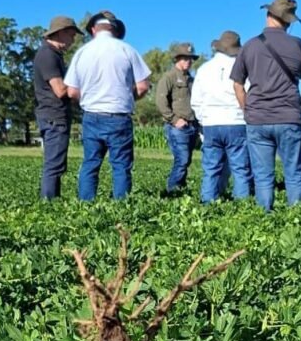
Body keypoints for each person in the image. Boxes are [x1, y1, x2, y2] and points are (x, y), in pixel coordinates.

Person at [230, 0, 301, 211]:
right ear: (289, 21)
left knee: (263, 176)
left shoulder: (250, 45)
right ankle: (298, 219)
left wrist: (248, 111)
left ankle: (265, 218)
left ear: (268, 15)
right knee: (294, 173)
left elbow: (237, 84)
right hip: (289, 117)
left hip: (258, 118)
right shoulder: (298, 44)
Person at [64, 12, 151, 201]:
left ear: (94, 29)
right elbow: (143, 86)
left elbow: (71, 91)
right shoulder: (127, 50)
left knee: (91, 163)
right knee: (120, 165)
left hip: (91, 115)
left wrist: (89, 98)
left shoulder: (82, 53)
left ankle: (85, 204)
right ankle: (121, 206)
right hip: (119, 115)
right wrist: (127, 97)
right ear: (114, 28)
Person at [190, 30, 252, 203]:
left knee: (211, 168)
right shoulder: (242, 68)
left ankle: (208, 202)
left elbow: (196, 100)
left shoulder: (204, 69)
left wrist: (204, 119)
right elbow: (249, 94)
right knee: (240, 168)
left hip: (211, 123)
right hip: (236, 121)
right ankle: (242, 206)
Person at [33, 16, 83, 199]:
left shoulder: (54, 55)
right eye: (71, 35)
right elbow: (60, 90)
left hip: (54, 116)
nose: (73, 40)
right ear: (60, 33)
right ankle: (49, 203)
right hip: (54, 117)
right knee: (54, 165)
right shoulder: (47, 55)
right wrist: (83, 92)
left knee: (56, 163)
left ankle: (52, 199)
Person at [156, 44, 199, 195]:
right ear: (178, 59)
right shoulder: (169, 77)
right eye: (186, 58)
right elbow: (161, 102)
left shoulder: (192, 80)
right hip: (177, 127)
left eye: (191, 59)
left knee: (186, 161)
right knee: (182, 159)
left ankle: (180, 188)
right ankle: (172, 191)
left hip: (192, 126)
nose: (189, 61)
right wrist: (174, 120)